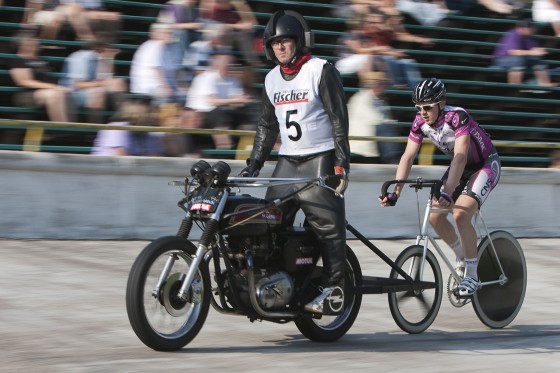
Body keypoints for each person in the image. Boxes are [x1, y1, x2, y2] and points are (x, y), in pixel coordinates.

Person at [240, 10, 351, 314]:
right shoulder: (271, 78)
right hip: (287, 162)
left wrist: (342, 163)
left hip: (321, 158)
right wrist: (255, 162)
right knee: (266, 225)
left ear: (299, 41)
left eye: (286, 41)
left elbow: (338, 119)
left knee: (329, 229)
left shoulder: (321, 70)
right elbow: (266, 126)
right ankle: (274, 284)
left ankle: (333, 289)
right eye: (275, 43)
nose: (281, 47)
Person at [379, 78, 501, 297]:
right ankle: (462, 257)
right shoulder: (419, 123)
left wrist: (448, 190)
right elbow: (407, 156)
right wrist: (395, 191)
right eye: (418, 108)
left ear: (441, 103)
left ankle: (472, 276)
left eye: (427, 107)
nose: (422, 112)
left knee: (460, 216)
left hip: (483, 166)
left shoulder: (457, 116)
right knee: (436, 216)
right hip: (460, 168)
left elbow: (462, 155)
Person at [185, 50, 255, 149]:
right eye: (229, 65)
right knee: (219, 113)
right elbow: (213, 101)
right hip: (201, 113)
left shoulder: (233, 80)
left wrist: (242, 100)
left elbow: (238, 100)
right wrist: (235, 100)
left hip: (223, 112)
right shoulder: (207, 78)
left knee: (244, 115)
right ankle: (224, 148)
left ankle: (248, 148)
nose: (232, 67)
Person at [8, 29, 72, 123]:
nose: (36, 42)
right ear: (21, 44)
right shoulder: (18, 60)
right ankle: (63, 127)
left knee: (68, 94)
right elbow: (24, 81)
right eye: (31, 40)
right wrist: (54, 87)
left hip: (45, 92)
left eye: (35, 40)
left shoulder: (40, 60)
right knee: (53, 94)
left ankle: (75, 129)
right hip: (26, 95)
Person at [60, 41, 126, 123]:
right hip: (72, 93)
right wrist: (103, 84)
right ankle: (95, 130)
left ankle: (123, 119)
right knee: (97, 93)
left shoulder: (100, 58)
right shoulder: (79, 57)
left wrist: (109, 59)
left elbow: (105, 79)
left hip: (91, 89)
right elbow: (78, 84)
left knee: (118, 83)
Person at [348, 71, 402, 164]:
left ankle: (395, 157)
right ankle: (393, 159)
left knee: (386, 127)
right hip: (362, 139)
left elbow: (385, 119)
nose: (384, 86)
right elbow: (374, 119)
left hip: (373, 137)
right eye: (381, 84)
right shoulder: (362, 98)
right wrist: (390, 122)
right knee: (384, 127)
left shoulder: (379, 100)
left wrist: (390, 122)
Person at [91, 99, 165, 156]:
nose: (149, 116)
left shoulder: (147, 133)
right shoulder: (117, 128)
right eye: (145, 113)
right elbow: (121, 156)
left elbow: (155, 156)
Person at [493, 20, 555, 87]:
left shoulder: (531, 37)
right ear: (520, 28)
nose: (532, 29)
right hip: (503, 59)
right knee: (517, 60)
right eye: (529, 28)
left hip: (523, 58)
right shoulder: (513, 34)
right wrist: (532, 52)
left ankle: (545, 84)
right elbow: (512, 52)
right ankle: (515, 86)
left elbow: (533, 50)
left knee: (537, 60)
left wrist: (539, 51)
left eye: (531, 28)